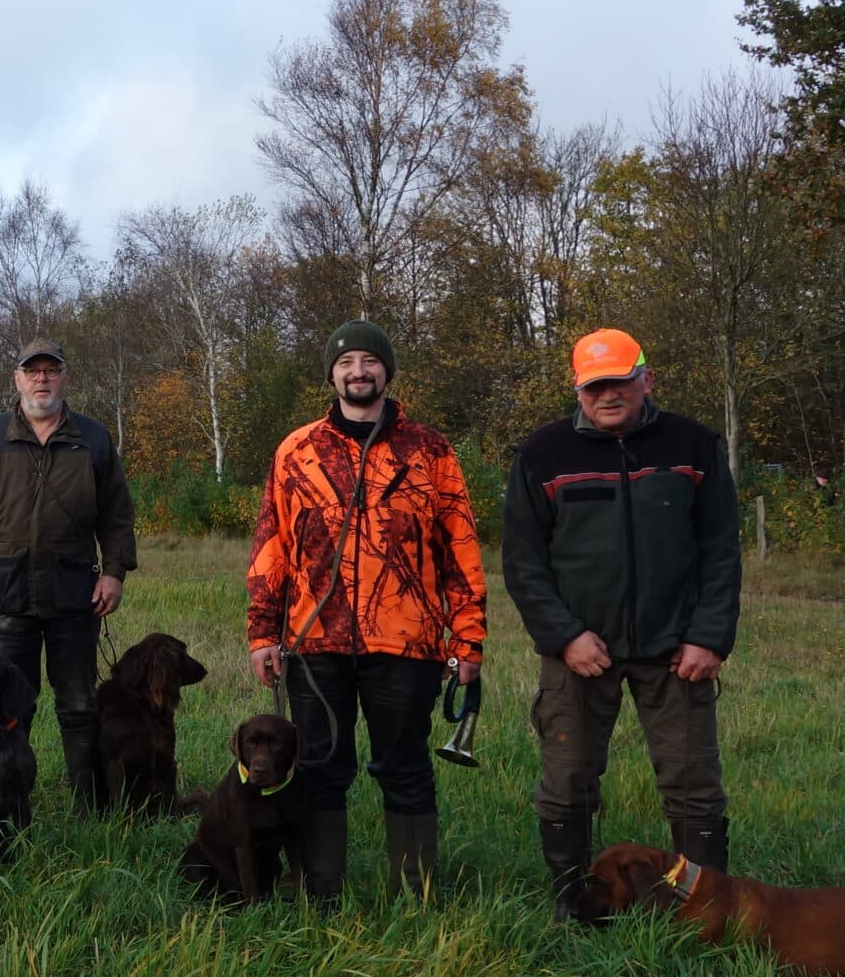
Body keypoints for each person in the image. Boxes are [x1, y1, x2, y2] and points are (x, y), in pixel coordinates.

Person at [504, 328, 740, 922]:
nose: (608, 395)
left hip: (675, 652)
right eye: (594, 387)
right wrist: (563, 636)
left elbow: (720, 550)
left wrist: (709, 636)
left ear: (646, 379)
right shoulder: (542, 454)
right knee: (568, 779)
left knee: (694, 784)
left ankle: (704, 908)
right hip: (581, 651)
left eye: (619, 382)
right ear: (578, 389)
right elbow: (523, 563)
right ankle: (574, 903)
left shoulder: (693, 444)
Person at [246, 320, 485, 900]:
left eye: (369, 361)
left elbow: (460, 548)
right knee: (321, 771)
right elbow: (272, 546)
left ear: (386, 371)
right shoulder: (296, 450)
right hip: (313, 642)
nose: (359, 371)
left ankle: (415, 894)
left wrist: (468, 639)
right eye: (347, 361)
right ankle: (320, 893)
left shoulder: (430, 450)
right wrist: (262, 633)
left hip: (407, 644)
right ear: (331, 373)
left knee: (404, 769)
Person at [0, 338, 136, 814]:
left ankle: (88, 808)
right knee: (8, 708)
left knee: (78, 705)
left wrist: (113, 573)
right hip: (5, 594)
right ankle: (5, 802)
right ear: (18, 379)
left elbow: (116, 514)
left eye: (51, 371)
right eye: (33, 372)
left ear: (64, 378)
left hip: (75, 594)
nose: (42, 380)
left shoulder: (91, 437)